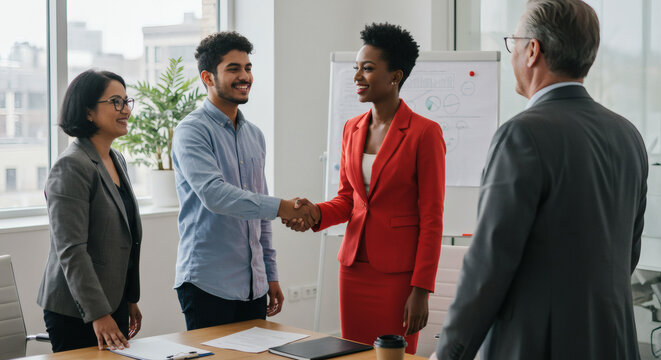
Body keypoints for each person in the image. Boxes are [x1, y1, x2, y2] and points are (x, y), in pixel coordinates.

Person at [432, 1, 647, 359]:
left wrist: (448, 354)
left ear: (532, 50)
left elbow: (488, 265)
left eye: (513, 41)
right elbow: (627, 254)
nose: (513, 50)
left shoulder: (521, 135)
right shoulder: (628, 134)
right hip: (614, 342)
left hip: (537, 345)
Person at [290, 23, 446, 354]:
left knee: (392, 357)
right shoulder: (352, 128)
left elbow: (431, 218)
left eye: (368, 68)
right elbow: (349, 200)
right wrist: (315, 212)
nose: (358, 76)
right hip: (353, 269)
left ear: (395, 76)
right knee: (353, 353)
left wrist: (421, 289)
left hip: (399, 276)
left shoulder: (424, 133)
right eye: (356, 68)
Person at [171, 31, 317, 330]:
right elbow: (215, 195)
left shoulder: (255, 135)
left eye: (248, 68)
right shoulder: (192, 131)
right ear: (208, 78)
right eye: (233, 69)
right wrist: (283, 207)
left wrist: (270, 274)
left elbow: (259, 214)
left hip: (254, 284)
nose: (244, 76)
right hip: (207, 284)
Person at [37, 70, 142, 352]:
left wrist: (129, 298)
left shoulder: (115, 158)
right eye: (116, 102)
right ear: (88, 112)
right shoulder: (71, 165)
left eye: (127, 101)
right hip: (77, 310)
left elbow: (125, 236)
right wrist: (98, 313)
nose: (126, 110)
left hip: (113, 302)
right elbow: (71, 248)